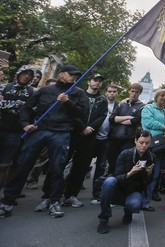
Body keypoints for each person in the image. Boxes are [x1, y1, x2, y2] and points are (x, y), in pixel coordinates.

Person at [0, 65, 86, 218]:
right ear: (61, 74)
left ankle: (54, 201)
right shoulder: (45, 90)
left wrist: (68, 102)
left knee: (57, 168)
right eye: (71, 74)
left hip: (62, 133)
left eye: (76, 75)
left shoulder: (77, 93)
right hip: (39, 130)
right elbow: (27, 108)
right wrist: (25, 124)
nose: (74, 76)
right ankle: (7, 202)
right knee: (23, 164)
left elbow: (81, 113)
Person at [61, 73, 108, 209]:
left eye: (100, 81)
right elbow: (73, 113)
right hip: (74, 134)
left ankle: (71, 195)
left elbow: (102, 116)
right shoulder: (78, 95)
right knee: (62, 163)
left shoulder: (102, 100)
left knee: (80, 168)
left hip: (90, 138)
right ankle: (53, 195)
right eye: (95, 80)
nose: (97, 83)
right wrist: (81, 127)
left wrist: (91, 128)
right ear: (88, 81)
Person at [97, 129, 154, 234]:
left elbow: (146, 184)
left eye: (147, 143)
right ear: (135, 141)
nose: (144, 146)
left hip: (132, 191)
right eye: (141, 142)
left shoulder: (150, 157)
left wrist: (149, 174)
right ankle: (103, 220)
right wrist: (130, 173)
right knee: (109, 182)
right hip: (118, 189)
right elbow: (117, 176)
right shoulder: (125, 154)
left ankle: (128, 212)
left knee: (135, 204)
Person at [0, 65, 35, 190]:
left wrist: (6, 104)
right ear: (19, 73)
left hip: (15, 133)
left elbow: (31, 109)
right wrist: (20, 105)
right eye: (25, 73)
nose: (27, 76)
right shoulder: (4, 87)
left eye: (30, 74)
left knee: (5, 164)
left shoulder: (32, 92)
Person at [140, 88, 165, 211]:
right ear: (156, 96)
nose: (164, 98)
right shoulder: (148, 108)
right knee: (142, 173)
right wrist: (164, 128)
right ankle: (136, 198)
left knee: (155, 175)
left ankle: (145, 202)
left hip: (161, 147)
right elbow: (148, 122)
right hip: (147, 146)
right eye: (162, 95)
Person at [91, 83, 119, 204]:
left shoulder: (119, 105)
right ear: (106, 92)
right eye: (110, 91)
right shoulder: (99, 102)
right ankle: (70, 192)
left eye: (114, 92)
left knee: (101, 166)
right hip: (92, 137)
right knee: (83, 164)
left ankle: (97, 193)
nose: (112, 93)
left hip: (107, 139)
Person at [107, 83, 144, 176]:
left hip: (128, 140)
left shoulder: (142, 107)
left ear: (140, 93)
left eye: (136, 92)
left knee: (123, 165)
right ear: (129, 91)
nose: (134, 94)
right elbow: (111, 119)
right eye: (132, 91)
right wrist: (127, 117)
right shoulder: (122, 104)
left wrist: (118, 119)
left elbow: (134, 121)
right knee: (111, 164)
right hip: (114, 138)